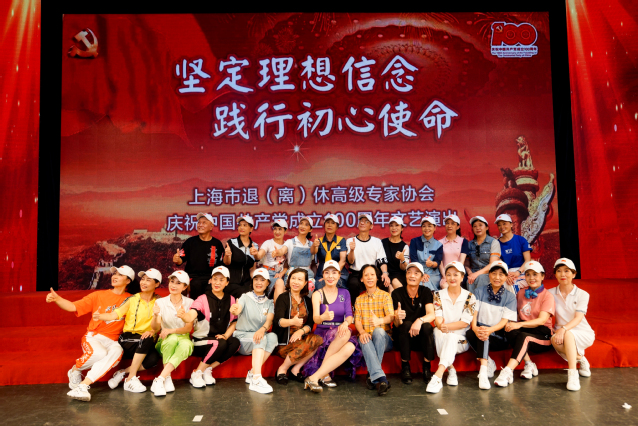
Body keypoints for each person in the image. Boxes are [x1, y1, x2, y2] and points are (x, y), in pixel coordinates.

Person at [46, 265, 133, 402]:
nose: (115, 276)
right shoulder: (98, 295)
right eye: (115, 273)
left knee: (117, 352)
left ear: (128, 281)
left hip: (114, 340)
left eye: (120, 275)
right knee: (100, 353)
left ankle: (83, 386)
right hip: (95, 336)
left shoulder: (132, 299)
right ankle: (75, 370)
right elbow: (73, 306)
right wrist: (58, 299)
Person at [98, 268, 162, 394]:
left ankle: (123, 372)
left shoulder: (160, 302)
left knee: (153, 359)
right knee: (147, 339)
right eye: (142, 279)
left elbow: (159, 325)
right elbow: (114, 315)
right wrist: (100, 316)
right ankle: (130, 378)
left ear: (157, 284)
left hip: (146, 341)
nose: (143, 282)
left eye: (148, 280)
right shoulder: (132, 299)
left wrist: (153, 331)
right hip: (128, 339)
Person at [303, 260, 363, 393]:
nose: (331, 276)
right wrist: (323, 317)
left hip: (339, 332)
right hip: (323, 333)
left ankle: (314, 377)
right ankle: (323, 374)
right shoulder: (317, 294)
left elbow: (349, 316)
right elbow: (315, 319)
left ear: (339, 275)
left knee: (350, 346)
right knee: (346, 333)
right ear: (323, 275)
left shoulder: (345, 293)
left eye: (334, 273)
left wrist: (346, 323)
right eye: (327, 273)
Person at [494, 261, 555, 387]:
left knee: (523, 336)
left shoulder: (548, 296)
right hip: (524, 330)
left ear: (542, 276)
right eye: (528, 274)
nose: (531, 278)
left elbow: (542, 320)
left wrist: (519, 325)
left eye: (535, 274)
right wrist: (512, 324)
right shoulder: (521, 293)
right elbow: (515, 315)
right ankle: (529, 364)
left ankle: (508, 371)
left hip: (542, 334)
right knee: (509, 329)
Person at [177, 266, 240, 388]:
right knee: (220, 343)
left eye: (221, 280)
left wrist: (225, 335)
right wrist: (184, 316)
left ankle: (207, 369)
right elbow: (191, 315)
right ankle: (197, 373)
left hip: (219, 340)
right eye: (215, 279)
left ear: (227, 282)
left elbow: (234, 322)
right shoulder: (202, 299)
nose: (217, 282)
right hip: (201, 342)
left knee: (235, 343)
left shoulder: (231, 300)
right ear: (210, 280)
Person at [466, 260, 518, 389]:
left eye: (501, 274)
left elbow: (504, 321)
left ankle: (483, 373)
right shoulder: (479, 291)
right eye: (494, 273)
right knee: (471, 333)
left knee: (484, 332)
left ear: (506, 277)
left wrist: (490, 330)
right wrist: (475, 327)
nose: (497, 277)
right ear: (489, 275)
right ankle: (487, 365)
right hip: (481, 332)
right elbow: (474, 313)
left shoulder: (510, 297)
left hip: (498, 337)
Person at [426, 261, 476, 393]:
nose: (452, 278)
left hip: (461, 340)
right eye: (448, 274)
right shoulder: (438, 295)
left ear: (462, 277)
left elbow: (464, 323)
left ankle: (438, 375)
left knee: (450, 337)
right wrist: (440, 325)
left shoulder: (470, 297)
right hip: (443, 335)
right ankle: (451, 369)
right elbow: (438, 316)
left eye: (455, 274)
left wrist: (446, 327)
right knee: (437, 331)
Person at [549, 258, 595, 391]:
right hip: (560, 334)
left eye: (567, 271)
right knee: (554, 340)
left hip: (582, 332)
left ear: (574, 274)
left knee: (569, 334)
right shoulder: (550, 293)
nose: (562, 274)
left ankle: (572, 374)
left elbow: (578, 318)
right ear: (555, 274)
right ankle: (581, 358)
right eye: (559, 271)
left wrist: (563, 329)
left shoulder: (583, 294)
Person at [230, 267, 278, 394]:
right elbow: (238, 308)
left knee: (273, 337)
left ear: (268, 283)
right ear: (252, 282)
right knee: (260, 338)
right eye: (256, 279)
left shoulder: (269, 303)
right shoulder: (245, 297)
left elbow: (269, 320)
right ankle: (256, 379)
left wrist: (262, 330)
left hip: (258, 337)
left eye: (262, 280)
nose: (258, 282)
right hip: (242, 338)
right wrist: (235, 309)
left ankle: (252, 373)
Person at [273, 268, 323, 385]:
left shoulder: (307, 300)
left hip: (300, 338)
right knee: (307, 344)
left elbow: (310, 323)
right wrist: (292, 322)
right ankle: (282, 369)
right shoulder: (283, 298)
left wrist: (300, 331)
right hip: (285, 342)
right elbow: (278, 321)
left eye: (299, 279)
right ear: (289, 280)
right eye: (293, 278)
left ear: (305, 283)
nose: (295, 282)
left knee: (318, 340)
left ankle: (295, 369)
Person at [149, 270, 194, 397]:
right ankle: (166, 378)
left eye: (178, 283)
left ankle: (160, 378)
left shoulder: (190, 303)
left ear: (184, 287)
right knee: (172, 340)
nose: (173, 285)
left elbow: (188, 328)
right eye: (172, 281)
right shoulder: (160, 302)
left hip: (183, 337)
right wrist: (155, 316)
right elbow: (156, 327)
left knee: (186, 345)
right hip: (165, 339)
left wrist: (171, 330)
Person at [391, 262, 436, 384]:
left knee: (427, 326)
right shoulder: (396, 293)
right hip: (402, 337)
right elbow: (396, 325)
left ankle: (426, 367)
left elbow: (431, 314)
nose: (412, 276)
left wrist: (419, 320)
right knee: (405, 324)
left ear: (422, 277)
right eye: (409, 272)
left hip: (420, 337)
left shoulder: (425, 291)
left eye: (416, 273)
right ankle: (405, 366)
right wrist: (397, 317)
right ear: (405, 275)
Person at [354, 264, 395, 396]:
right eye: (366, 275)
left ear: (377, 278)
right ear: (362, 279)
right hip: (367, 338)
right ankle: (382, 379)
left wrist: (379, 321)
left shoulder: (385, 296)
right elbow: (357, 321)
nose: (369, 277)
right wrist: (362, 332)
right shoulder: (359, 299)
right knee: (364, 338)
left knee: (378, 331)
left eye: (372, 275)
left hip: (385, 339)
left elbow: (391, 316)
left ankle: (372, 374)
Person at [173, 213, 224, 300]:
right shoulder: (190, 242)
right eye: (199, 222)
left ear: (211, 226)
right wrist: (177, 259)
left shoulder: (217, 243)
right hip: (193, 278)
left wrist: (214, 278)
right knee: (196, 285)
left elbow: (221, 265)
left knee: (212, 289)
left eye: (204, 223)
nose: (200, 225)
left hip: (211, 278)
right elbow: (181, 260)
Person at [346, 213, 390, 303]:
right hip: (357, 273)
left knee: (384, 282)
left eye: (366, 221)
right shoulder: (350, 241)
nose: (362, 223)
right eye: (361, 221)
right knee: (353, 284)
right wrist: (352, 250)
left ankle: (382, 307)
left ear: (371, 226)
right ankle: (355, 308)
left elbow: (382, 261)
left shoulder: (377, 241)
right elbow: (350, 262)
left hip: (372, 272)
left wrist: (385, 273)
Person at [273, 216, 317, 302]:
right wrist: (278, 252)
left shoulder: (312, 244)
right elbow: (283, 250)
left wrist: (315, 245)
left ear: (310, 229)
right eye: (301, 223)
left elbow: (314, 252)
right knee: (290, 297)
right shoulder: (290, 242)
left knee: (307, 297)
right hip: (292, 273)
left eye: (306, 225)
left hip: (307, 275)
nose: (303, 226)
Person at [224, 215, 259, 298]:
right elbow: (227, 263)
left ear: (251, 229)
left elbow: (252, 268)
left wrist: (257, 281)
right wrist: (227, 255)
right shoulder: (231, 243)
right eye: (239, 225)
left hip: (247, 283)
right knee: (245, 294)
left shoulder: (255, 246)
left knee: (254, 293)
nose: (241, 227)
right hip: (231, 282)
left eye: (245, 225)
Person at [495, 214, 532, 294]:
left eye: (504, 223)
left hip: (522, 271)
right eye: (499, 225)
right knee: (503, 284)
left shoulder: (521, 240)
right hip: (506, 272)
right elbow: (498, 262)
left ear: (511, 224)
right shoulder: (496, 243)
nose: (502, 227)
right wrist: (506, 274)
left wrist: (518, 272)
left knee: (512, 285)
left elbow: (527, 260)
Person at [466, 216, 501, 293]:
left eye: (480, 225)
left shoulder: (494, 242)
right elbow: (467, 264)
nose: (477, 228)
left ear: (487, 227)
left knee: (481, 278)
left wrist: (476, 274)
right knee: (469, 281)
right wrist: (470, 273)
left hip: (489, 273)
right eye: (475, 226)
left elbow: (493, 264)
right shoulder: (470, 244)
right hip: (473, 274)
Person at [315, 214, 348, 292]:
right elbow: (313, 254)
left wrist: (332, 275)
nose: (330, 225)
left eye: (333, 223)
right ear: (324, 225)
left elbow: (342, 260)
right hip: (322, 273)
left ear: (337, 227)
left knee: (339, 287)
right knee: (319, 287)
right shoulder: (318, 241)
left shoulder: (341, 241)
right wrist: (314, 246)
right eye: (327, 222)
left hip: (339, 273)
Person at [409, 216, 443, 291]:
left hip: (433, 274)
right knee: (422, 282)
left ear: (435, 228)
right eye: (424, 226)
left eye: (429, 226)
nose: (426, 228)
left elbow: (438, 262)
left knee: (424, 283)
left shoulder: (439, 245)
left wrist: (432, 263)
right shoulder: (414, 241)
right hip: (417, 271)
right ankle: (433, 295)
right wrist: (421, 273)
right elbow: (414, 260)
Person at [256, 219, 288, 297]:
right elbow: (259, 255)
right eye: (275, 229)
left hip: (278, 275)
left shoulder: (287, 245)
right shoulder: (268, 243)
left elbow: (287, 264)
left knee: (284, 289)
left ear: (285, 231)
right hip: (266, 272)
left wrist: (281, 273)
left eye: (280, 229)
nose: (277, 232)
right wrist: (255, 254)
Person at [437, 214, 470, 290]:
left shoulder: (463, 241)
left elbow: (461, 262)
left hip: (459, 274)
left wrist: (455, 275)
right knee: (445, 286)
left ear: (458, 227)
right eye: (447, 223)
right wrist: (445, 276)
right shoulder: (439, 243)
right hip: (444, 274)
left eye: (453, 224)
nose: (449, 226)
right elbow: (440, 262)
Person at [381, 216, 409, 291]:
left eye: (397, 225)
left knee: (395, 281)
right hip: (384, 274)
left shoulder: (404, 246)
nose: (394, 228)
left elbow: (404, 268)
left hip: (399, 275)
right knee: (389, 287)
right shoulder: (382, 243)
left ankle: (403, 298)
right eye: (391, 225)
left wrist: (402, 259)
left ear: (402, 228)